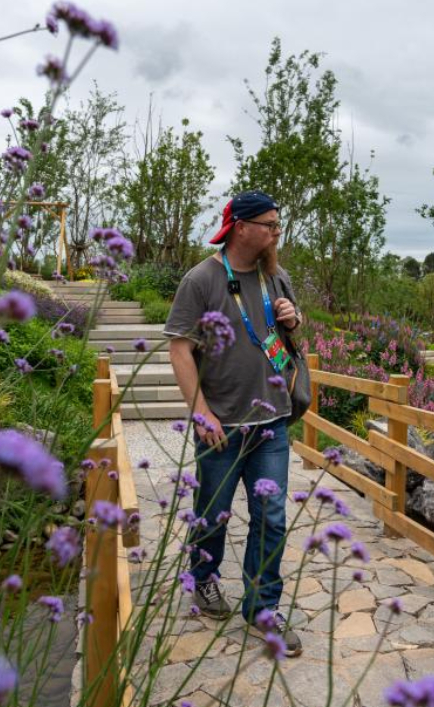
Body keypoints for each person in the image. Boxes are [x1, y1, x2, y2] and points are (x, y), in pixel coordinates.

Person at [163, 190, 305, 657]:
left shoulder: (275, 276)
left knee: (272, 516)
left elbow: (288, 334)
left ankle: (262, 607)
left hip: (272, 425)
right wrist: (201, 412)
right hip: (221, 426)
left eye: (277, 225)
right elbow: (180, 348)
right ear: (241, 227)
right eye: (270, 224)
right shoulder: (201, 280)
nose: (276, 232)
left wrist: (293, 317)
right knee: (212, 512)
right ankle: (203, 578)